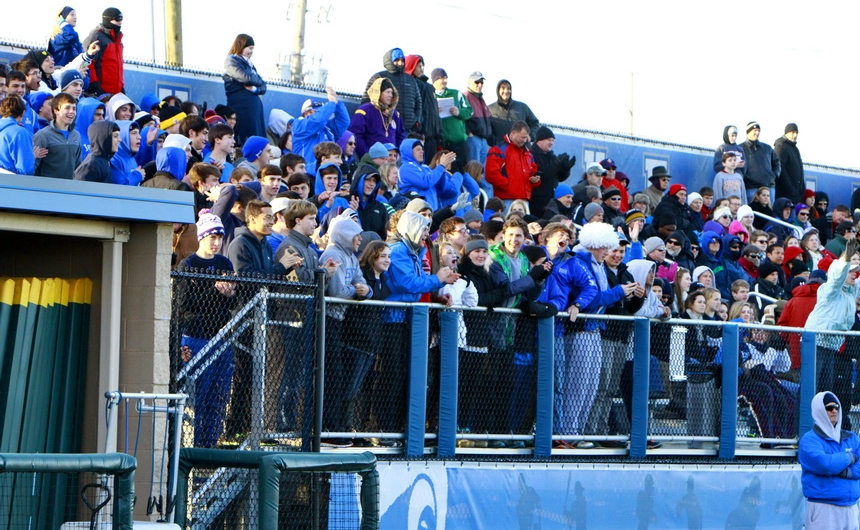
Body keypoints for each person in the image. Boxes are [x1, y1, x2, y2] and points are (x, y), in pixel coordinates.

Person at [175, 210, 237, 448]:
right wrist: (214, 290)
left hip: (220, 337)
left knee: (218, 396)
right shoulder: (188, 264)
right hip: (196, 337)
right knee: (197, 394)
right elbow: (185, 303)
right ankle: (191, 446)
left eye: (219, 237)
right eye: (211, 237)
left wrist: (230, 292)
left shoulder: (224, 263)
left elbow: (232, 301)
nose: (216, 242)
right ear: (201, 237)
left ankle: (209, 444)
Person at [805, 239, 860, 413]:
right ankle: (801, 427)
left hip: (831, 345)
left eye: (855, 273)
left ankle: (820, 426)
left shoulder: (850, 293)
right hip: (817, 342)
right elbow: (836, 278)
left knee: (824, 390)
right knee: (810, 388)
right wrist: (845, 259)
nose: (854, 275)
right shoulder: (829, 290)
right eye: (851, 272)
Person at [798, 391, 860, 530]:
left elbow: (834, 464)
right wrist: (850, 457)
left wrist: (845, 472)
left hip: (851, 507)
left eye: (836, 407)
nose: (834, 411)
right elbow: (826, 465)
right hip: (823, 509)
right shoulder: (809, 440)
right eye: (829, 408)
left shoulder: (852, 437)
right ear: (820, 410)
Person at [362, 48, 421, 135]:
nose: (400, 63)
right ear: (389, 60)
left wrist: (416, 120)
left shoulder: (411, 79)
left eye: (402, 60)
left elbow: (418, 102)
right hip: (385, 128)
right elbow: (366, 100)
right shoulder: (379, 76)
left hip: (408, 130)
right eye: (396, 60)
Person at [291, 89, 349, 177]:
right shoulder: (298, 125)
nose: (324, 114)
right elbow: (318, 120)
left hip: (325, 174)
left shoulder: (327, 129)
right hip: (305, 174)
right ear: (307, 113)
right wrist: (331, 103)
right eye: (318, 112)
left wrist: (337, 103)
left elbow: (344, 122)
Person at [223, 34, 266, 144]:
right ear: (241, 45)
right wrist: (257, 81)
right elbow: (245, 78)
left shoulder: (250, 65)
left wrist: (254, 89)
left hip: (254, 110)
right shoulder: (231, 60)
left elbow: (263, 87)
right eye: (250, 48)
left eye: (253, 49)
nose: (251, 52)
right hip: (241, 108)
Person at [485, 121, 539, 204]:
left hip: (524, 200)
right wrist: (509, 185)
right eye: (522, 137)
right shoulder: (498, 150)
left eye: (526, 138)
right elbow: (491, 174)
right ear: (513, 133)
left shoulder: (528, 154)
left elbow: (533, 173)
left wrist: (535, 180)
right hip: (506, 199)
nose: (525, 140)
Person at [349, 78, 405, 158]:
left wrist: (397, 154)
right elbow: (356, 135)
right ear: (379, 93)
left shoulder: (394, 113)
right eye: (387, 92)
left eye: (392, 92)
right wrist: (367, 155)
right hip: (373, 159)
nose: (390, 95)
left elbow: (400, 135)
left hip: (391, 160)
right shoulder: (364, 111)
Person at [431, 68, 472, 172]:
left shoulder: (456, 94)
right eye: (440, 78)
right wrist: (434, 112)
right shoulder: (431, 96)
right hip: (441, 142)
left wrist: (459, 112)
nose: (444, 80)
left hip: (458, 142)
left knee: (462, 170)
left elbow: (470, 111)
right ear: (434, 80)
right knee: (445, 170)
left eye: (445, 77)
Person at [32, 93, 80, 179]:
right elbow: (32, 166)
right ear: (56, 110)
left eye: (74, 108)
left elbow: (77, 166)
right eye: (67, 108)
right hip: (46, 189)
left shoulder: (76, 136)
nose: (72, 112)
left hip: (68, 189)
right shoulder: (42, 135)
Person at [529, 126, 575, 216]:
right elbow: (541, 174)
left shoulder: (551, 156)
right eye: (549, 140)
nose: (551, 143)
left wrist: (566, 169)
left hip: (551, 202)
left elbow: (560, 178)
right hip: (536, 201)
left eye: (553, 140)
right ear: (539, 140)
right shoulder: (531, 155)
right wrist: (556, 163)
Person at [404, 55, 441, 157]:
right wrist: (420, 130)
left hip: (432, 135)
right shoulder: (411, 84)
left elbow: (433, 112)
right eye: (419, 66)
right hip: (420, 134)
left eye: (423, 66)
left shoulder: (428, 86)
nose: (422, 69)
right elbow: (419, 109)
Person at [82, 7, 124, 95]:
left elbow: (118, 67)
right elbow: (88, 63)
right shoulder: (98, 37)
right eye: (117, 19)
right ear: (108, 20)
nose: (120, 22)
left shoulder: (118, 42)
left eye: (121, 19)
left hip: (116, 92)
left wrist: (121, 87)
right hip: (101, 91)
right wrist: (95, 86)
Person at [488, 79, 539, 144]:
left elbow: (535, 123)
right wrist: (495, 142)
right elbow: (487, 130)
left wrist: (531, 136)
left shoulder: (522, 107)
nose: (506, 91)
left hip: (521, 150)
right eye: (503, 88)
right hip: (501, 151)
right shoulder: (490, 109)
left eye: (508, 88)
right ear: (498, 90)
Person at [741, 122, 780, 204]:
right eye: (755, 130)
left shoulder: (767, 148)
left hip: (769, 186)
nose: (757, 133)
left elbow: (777, 163)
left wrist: (774, 175)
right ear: (748, 131)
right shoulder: (741, 148)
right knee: (752, 214)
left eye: (758, 130)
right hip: (751, 187)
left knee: (768, 213)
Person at [0, 95, 37, 175]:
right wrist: (32, 156)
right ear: (23, 113)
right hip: (10, 184)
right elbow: (26, 169)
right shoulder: (20, 133)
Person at [463, 71, 493, 163]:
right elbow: (461, 116)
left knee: (482, 172)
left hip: (484, 140)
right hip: (473, 139)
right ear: (469, 83)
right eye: (477, 82)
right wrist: (468, 133)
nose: (479, 85)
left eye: (481, 82)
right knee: (473, 169)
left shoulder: (481, 98)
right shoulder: (465, 96)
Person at [774, 123, 804, 205]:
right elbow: (781, 169)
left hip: (796, 195)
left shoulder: (795, 149)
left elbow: (800, 169)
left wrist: (802, 188)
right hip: (785, 194)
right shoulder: (781, 145)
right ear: (786, 132)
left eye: (796, 133)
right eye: (792, 132)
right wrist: (790, 189)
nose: (795, 135)